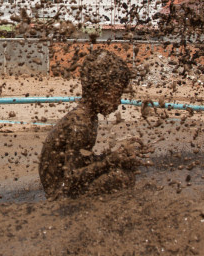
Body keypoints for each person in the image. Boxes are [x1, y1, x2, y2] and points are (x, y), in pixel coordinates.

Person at [39, 49, 150, 198]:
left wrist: (114, 156)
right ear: (97, 90)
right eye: (116, 95)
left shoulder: (89, 117)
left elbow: (82, 160)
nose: (118, 103)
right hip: (59, 192)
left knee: (123, 169)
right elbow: (71, 178)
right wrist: (110, 161)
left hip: (63, 184)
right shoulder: (80, 125)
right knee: (121, 177)